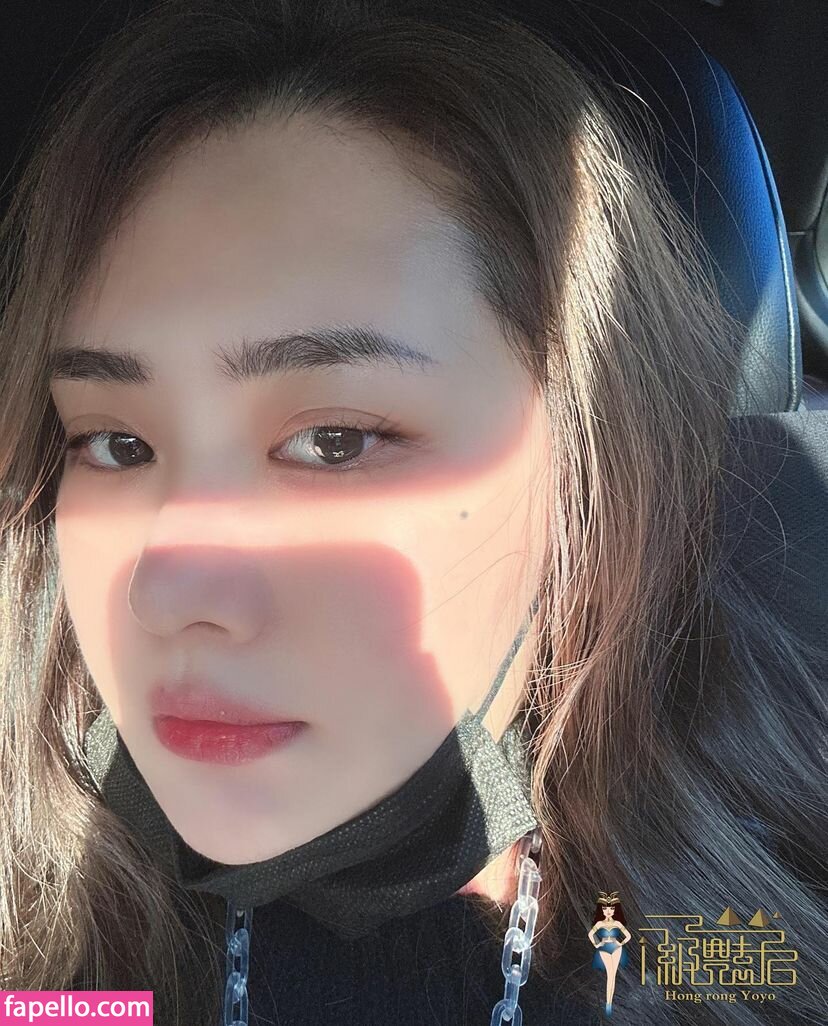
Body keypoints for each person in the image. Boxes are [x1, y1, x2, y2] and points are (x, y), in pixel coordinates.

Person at [0, 1, 825, 1024]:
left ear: (592, 470)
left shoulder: (752, 934)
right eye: (116, 444)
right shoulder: (40, 927)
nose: (167, 591)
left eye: (335, 442)